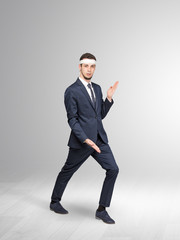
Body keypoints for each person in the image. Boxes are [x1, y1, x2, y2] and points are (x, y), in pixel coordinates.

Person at [50, 53, 120, 224]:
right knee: (67, 171)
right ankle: (54, 201)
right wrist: (85, 139)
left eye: (92, 66)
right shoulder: (71, 91)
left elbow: (99, 115)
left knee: (113, 169)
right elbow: (72, 119)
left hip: (99, 139)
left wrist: (108, 99)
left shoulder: (97, 88)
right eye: (86, 65)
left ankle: (102, 210)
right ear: (79, 67)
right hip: (82, 142)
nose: (89, 69)